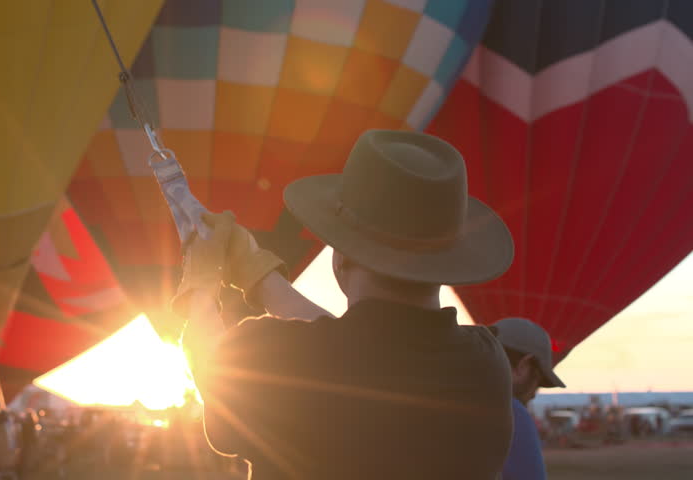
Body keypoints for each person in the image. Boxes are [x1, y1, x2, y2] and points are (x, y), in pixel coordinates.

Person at [176, 130, 517, 479]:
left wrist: (200, 282)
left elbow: (207, 357)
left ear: (340, 257)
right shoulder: (486, 364)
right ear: (447, 261)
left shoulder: (278, 359)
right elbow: (359, 350)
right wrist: (257, 272)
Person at [490, 317, 567, 480]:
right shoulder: (511, 415)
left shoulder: (438, 402)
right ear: (523, 365)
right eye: (538, 380)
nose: (534, 393)